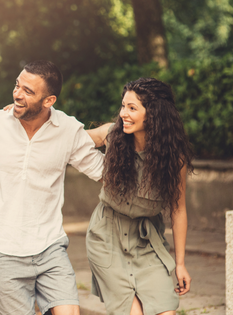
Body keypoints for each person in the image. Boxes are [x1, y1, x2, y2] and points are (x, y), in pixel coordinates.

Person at [0, 60, 104, 315]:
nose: (17, 94)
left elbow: (104, 173)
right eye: (18, 86)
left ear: (49, 100)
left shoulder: (68, 130)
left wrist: (121, 135)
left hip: (49, 247)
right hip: (2, 248)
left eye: (28, 91)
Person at [85, 77, 192, 315]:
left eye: (132, 108)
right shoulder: (111, 136)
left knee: (167, 311)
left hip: (147, 242)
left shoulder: (174, 159)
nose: (123, 113)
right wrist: (32, 117)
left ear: (154, 114)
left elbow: (178, 209)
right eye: (123, 106)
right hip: (107, 238)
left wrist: (181, 264)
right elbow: (68, 140)